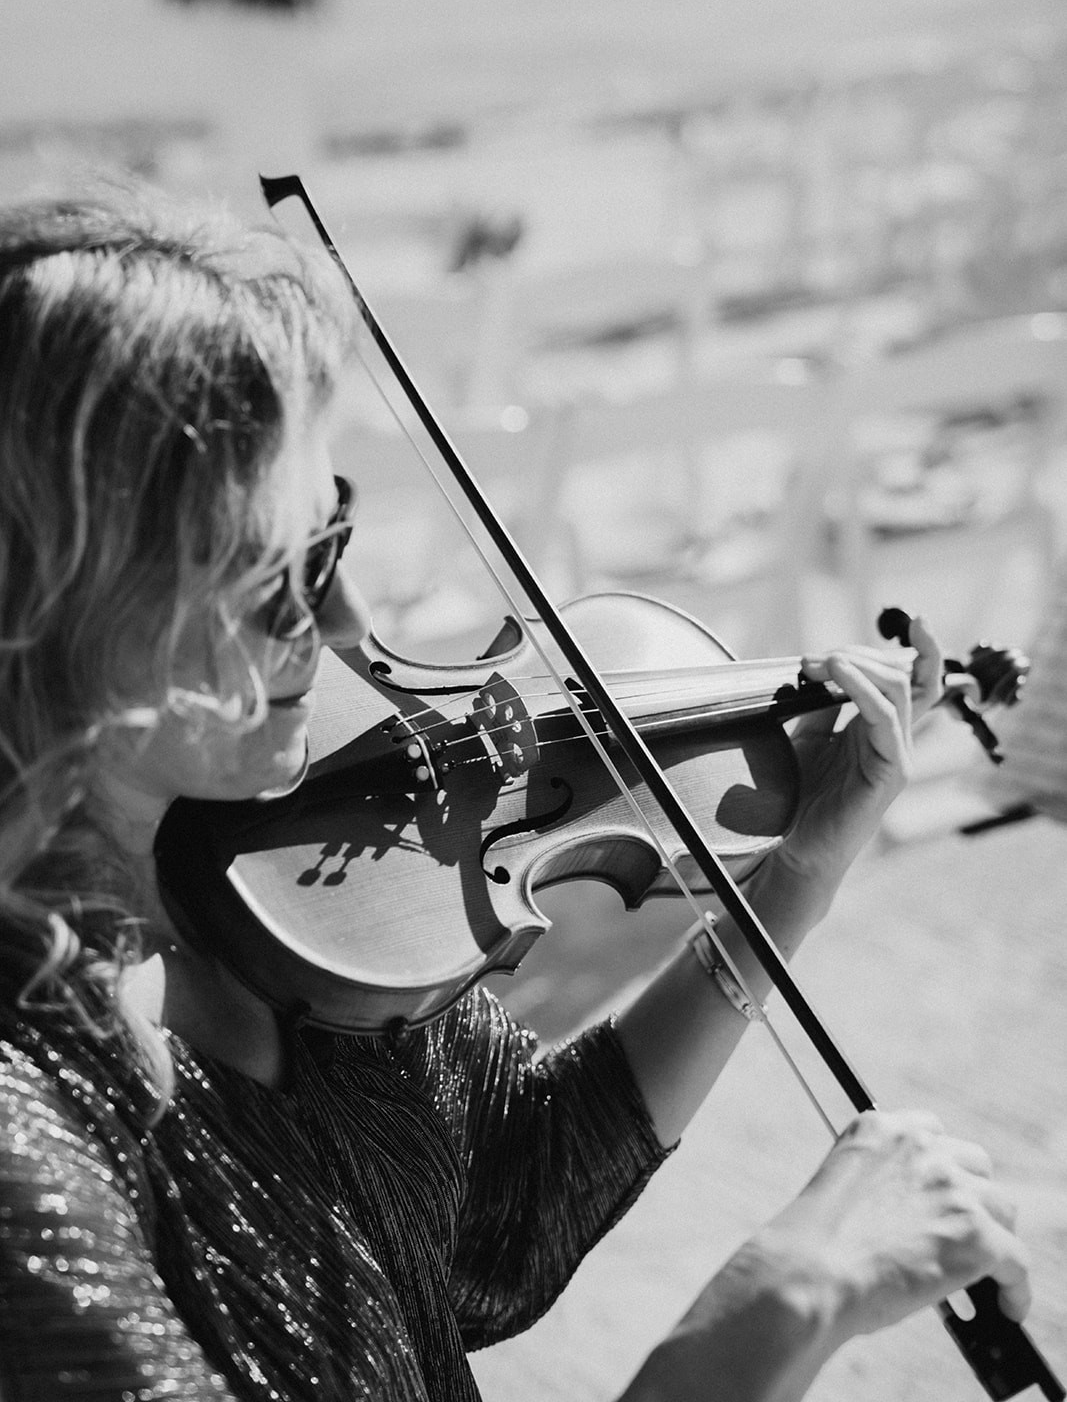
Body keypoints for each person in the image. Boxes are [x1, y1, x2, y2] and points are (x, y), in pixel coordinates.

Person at [0, 182, 1031, 1402]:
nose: (348, 621)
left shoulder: (280, 885)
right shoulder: (32, 1135)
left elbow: (503, 1210)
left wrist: (788, 882)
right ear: (77, 603)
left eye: (339, 537)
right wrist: (789, 1297)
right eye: (284, 571)